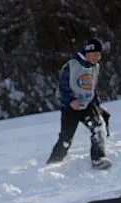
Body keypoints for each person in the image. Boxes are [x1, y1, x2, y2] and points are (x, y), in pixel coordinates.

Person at [45, 38, 111, 169]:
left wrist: (98, 105)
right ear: (87, 53)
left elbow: (92, 88)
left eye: (99, 55)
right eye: (94, 54)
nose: (96, 58)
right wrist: (71, 101)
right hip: (70, 108)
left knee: (98, 127)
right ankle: (52, 164)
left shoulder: (95, 67)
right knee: (66, 139)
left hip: (87, 105)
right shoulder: (72, 65)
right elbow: (62, 88)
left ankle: (98, 158)